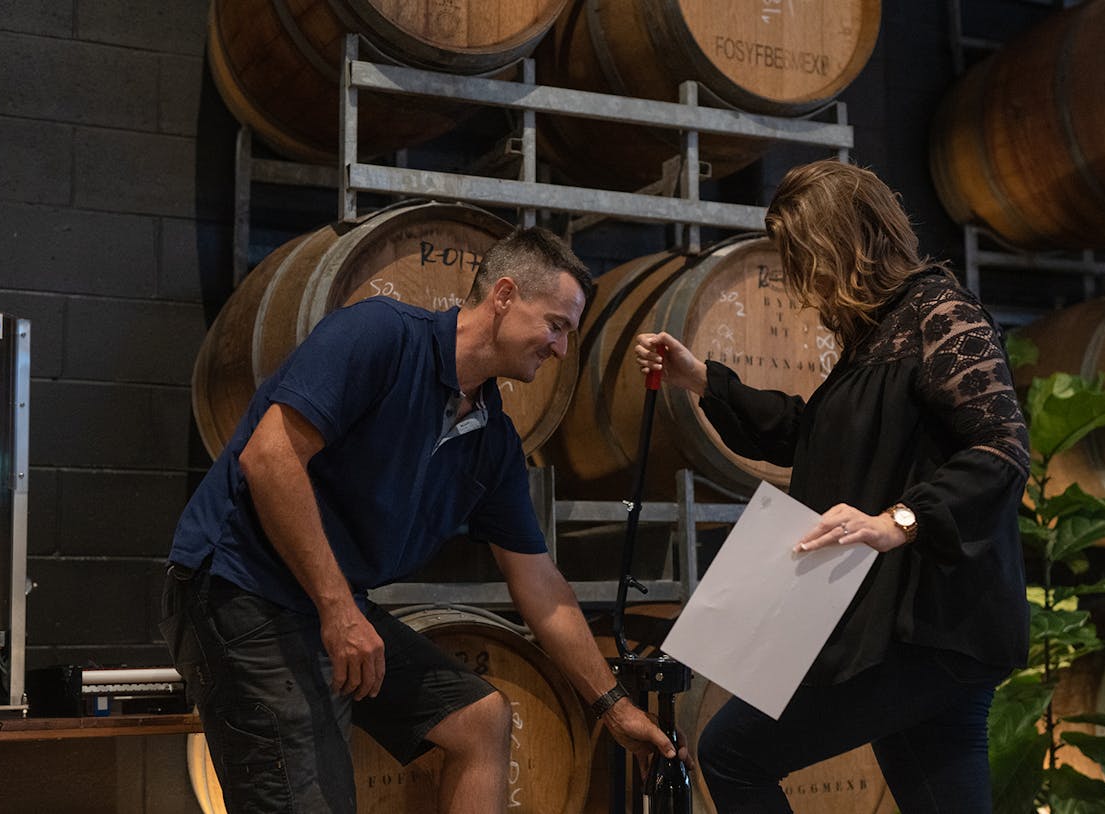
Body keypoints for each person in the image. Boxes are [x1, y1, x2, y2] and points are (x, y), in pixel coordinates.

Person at [161, 226, 676, 813]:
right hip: (237, 589)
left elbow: (540, 584)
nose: (561, 349)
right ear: (504, 295)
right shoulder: (380, 335)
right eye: (555, 325)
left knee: (480, 718)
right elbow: (269, 459)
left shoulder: (493, 439)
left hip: (317, 604)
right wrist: (339, 609)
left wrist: (613, 707)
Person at [635, 160, 1030, 814]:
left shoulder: (939, 312)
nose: (801, 279)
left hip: (924, 625)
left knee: (732, 753)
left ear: (845, 243)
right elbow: (812, 435)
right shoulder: (878, 333)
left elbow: (1002, 447)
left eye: (804, 256)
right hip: (925, 630)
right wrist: (702, 379)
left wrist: (898, 521)